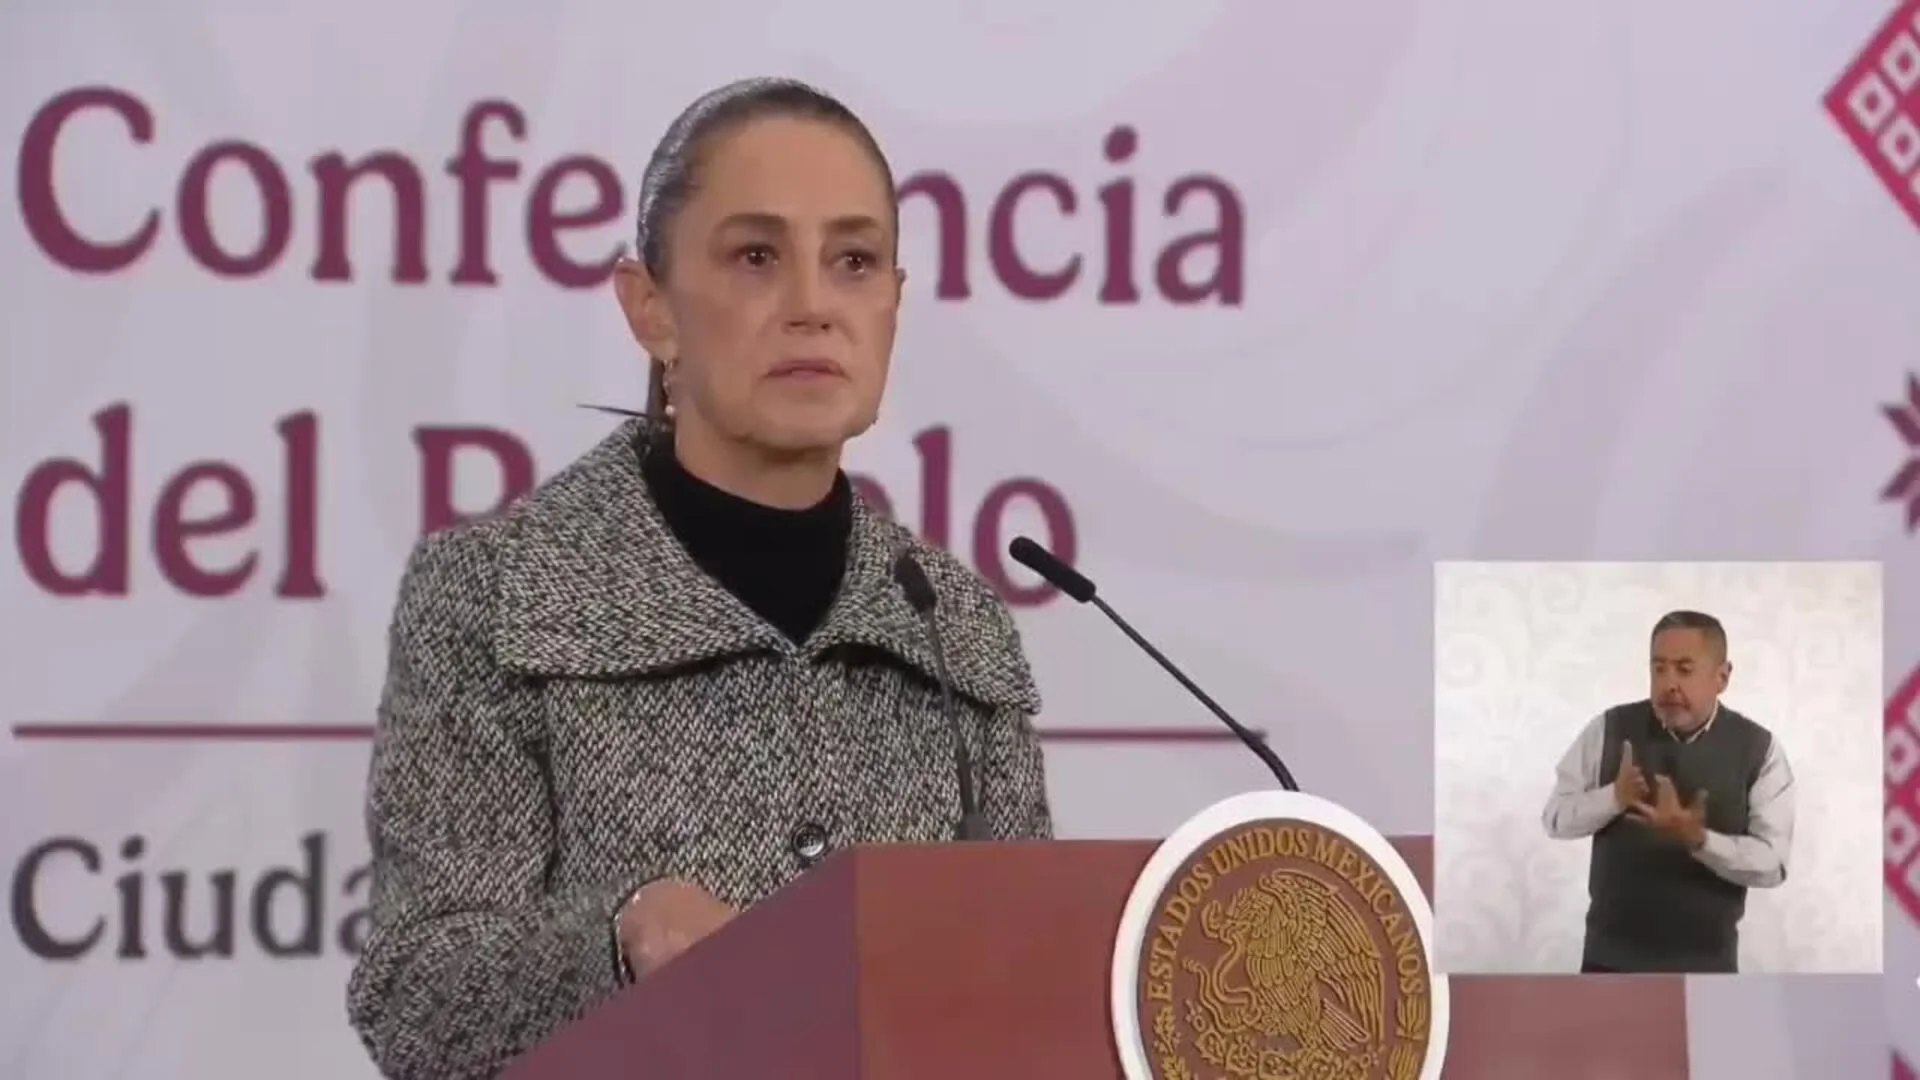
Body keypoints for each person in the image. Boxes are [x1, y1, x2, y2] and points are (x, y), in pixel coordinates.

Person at [344, 77, 1053, 1079]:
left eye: (853, 262)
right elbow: (417, 1000)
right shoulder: (496, 594)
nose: (813, 306)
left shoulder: (953, 623)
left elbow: (1025, 995)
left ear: (893, 304)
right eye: (757, 256)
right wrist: (620, 944)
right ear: (651, 308)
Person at [1539, 610, 1795, 973]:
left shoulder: (1760, 750)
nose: (1669, 683)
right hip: (1608, 963)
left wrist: (1699, 839)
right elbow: (1554, 819)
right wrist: (1614, 798)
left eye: (1684, 669)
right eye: (1658, 668)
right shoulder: (1609, 729)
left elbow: (1773, 864)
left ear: (1722, 677)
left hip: (1708, 967)